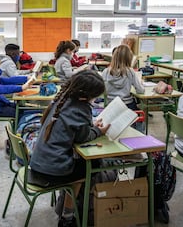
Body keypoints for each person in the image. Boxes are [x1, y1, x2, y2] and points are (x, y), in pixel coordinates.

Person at [29, 70, 110, 227]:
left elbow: (73, 128)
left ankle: (67, 206)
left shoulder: (62, 100)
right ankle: (67, 217)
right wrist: (99, 131)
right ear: (87, 95)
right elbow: (82, 137)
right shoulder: (82, 108)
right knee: (90, 167)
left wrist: (90, 126)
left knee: (84, 164)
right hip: (50, 170)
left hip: (38, 164)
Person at [102, 44, 144, 110]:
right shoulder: (130, 71)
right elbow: (140, 91)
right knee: (139, 109)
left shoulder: (106, 71)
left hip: (110, 105)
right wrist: (140, 83)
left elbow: (102, 90)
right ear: (129, 58)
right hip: (127, 105)